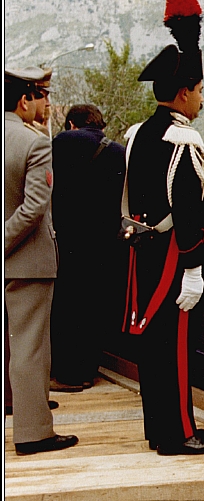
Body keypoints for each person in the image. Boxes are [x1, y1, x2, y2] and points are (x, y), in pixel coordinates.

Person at [120, 0, 204, 456]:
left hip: (141, 250)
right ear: (182, 94)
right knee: (175, 347)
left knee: (151, 347)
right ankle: (180, 433)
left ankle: (157, 429)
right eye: (199, 91)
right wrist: (195, 266)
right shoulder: (184, 139)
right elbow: (188, 209)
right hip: (170, 257)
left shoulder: (139, 133)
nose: (202, 100)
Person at [5, 66, 78, 455]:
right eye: (42, 96)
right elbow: (34, 207)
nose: (47, 104)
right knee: (30, 348)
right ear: (24, 99)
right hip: (27, 259)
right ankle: (33, 432)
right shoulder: (34, 143)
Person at [49, 103, 127, 390]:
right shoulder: (118, 151)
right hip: (105, 244)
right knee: (96, 305)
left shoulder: (63, 141)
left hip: (68, 240)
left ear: (71, 124)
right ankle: (87, 369)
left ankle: (66, 373)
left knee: (67, 305)